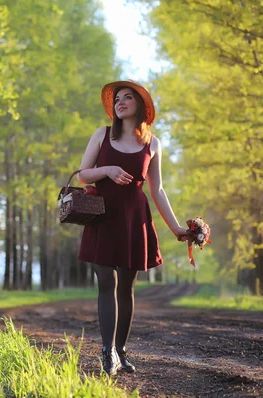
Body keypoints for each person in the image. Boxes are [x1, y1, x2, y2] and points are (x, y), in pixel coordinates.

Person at [76, 80, 188, 376]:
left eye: (127, 98)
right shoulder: (102, 135)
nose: (120, 102)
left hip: (133, 218)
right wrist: (107, 170)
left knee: (126, 287)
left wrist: (177, 228)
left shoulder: (153, 143)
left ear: (141, 105)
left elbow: (158, 190)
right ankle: (107, 352)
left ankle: (121, 351)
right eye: (117, 99)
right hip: (101, 215)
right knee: (106, 284)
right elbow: (82, 175)